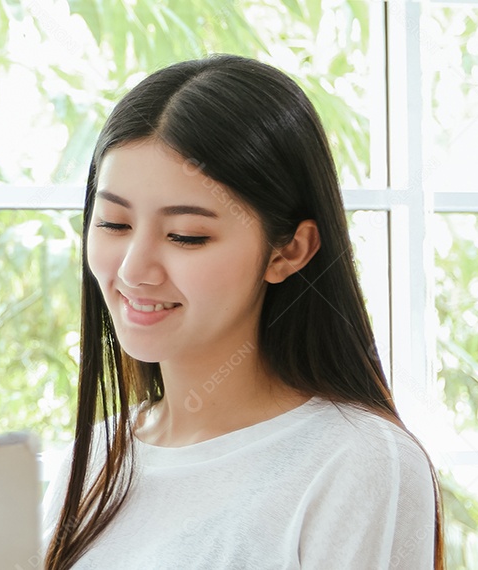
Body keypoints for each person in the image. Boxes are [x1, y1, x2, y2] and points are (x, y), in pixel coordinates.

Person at [43, 54, 442, 569]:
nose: (134, 270)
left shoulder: (357, 461)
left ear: (288, 251)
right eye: (114, 224)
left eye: (186, 236)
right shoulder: (95, 458)